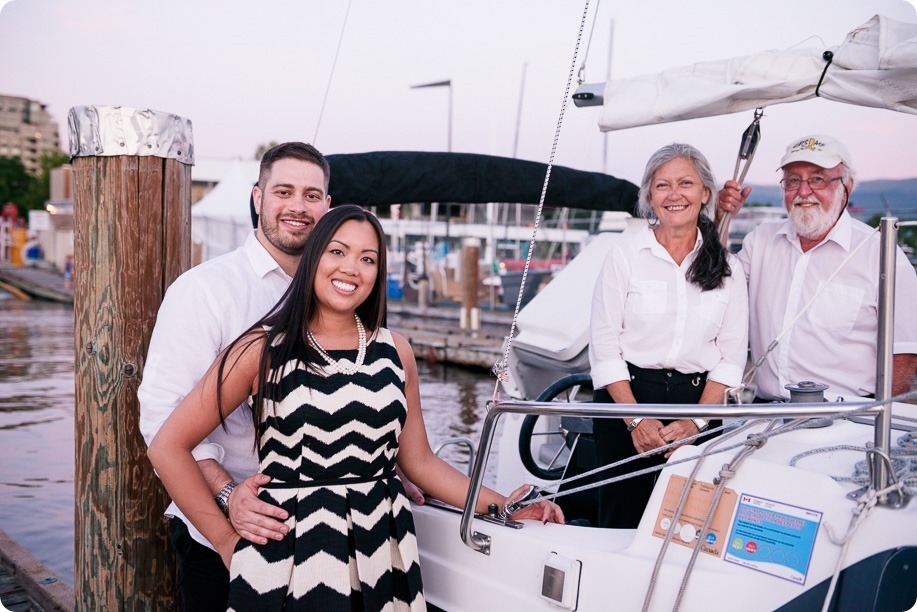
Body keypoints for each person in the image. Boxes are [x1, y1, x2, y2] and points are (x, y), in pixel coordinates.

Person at [148, 205, 564, 611]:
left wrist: (503, 506)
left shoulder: (396, 351)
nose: (351, 268)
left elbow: (420, 463)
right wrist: (224, 541)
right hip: (288, 554)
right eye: (337, 251)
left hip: (382, 546)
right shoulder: (261, 349)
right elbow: (167, 447)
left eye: (368, 259)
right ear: (314, 258)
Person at [138, 142, 412, 610]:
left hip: (337, 534)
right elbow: (162, 423)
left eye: (312, 195)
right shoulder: (205, 291)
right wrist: (228, 506)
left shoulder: (341, 295)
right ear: (257, 197)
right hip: (233, 530)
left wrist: (380, 462)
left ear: (327, 206)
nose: (298, 207)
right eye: (283, 191)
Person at [589, 143, 749, 529]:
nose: (674, 195)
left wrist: (695, 424)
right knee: (620, 524)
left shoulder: (727, 267)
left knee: (690, 530)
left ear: (705, 193)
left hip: (699, 407)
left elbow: (730, 358)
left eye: (686, 183)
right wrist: (635, 421)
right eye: (662, 185)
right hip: (626, 405)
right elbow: (604, 346)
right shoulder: (624, 255)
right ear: (649, 196)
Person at [717, 135, 917, 402]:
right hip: (766, 413)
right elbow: (717, 291)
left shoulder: (880, 253)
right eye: (793, 181)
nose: (803, 192)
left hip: (847, 417)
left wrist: (880, 421)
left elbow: (904, 352)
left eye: (818, 179)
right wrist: (721, 220)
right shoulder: (760, 241)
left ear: (847, 186)